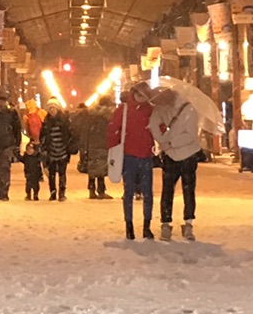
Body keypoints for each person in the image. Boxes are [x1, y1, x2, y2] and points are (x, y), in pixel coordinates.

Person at [151, 85, 204, 241]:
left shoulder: (188, 110)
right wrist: (162, 141)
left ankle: (188, 223)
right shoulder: (160, 108)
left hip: (188, 154)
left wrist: (169, 142)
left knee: (188, 190)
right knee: (168, 190)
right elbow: (153, 125)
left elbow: (191, 136)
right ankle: (166, 223)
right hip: (170, 155)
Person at [109, 82, 158, 239]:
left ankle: (146, 226)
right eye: (139, 94)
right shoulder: (123, 110)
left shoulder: (151, 110)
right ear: (134, 93)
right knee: (129, 192)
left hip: (145, 155)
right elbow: (112, 131)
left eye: (144, 96)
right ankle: (129, 226)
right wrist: (113, 152)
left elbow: (159, 128)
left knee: (147, 193)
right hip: (128, 156)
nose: (141, 98)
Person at [72, 101, 111, 198]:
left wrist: (84, 146)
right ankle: (101, 190)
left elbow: (83, 132)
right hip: (102, 145)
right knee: (101, 168)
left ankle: (91, 189)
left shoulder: (89, 118)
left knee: (92, 168)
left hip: (91, 146)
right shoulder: (105, 118)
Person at [38, 104, 76, 201]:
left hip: (62, 151)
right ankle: (53, 193)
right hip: (51, 152)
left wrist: (68, 145)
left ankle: (62, 193)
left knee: (62, 173)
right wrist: (44, 148)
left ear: (57, 109)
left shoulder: (64, 121)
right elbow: (42, 136)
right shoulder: (46, 122)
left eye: (53, 108)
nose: (52, 110)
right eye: (50, 108)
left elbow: (70, 134)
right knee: (52, 173)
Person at [21, 130, 45, 200]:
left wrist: (40, 175)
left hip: (36, 173)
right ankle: (28, 194)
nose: (30, 151)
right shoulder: (26, 156)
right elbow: (22, 159)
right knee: (28, 185)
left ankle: (35, 194)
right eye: (28, 149)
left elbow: (41, 162)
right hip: (28, 173)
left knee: (35, 185)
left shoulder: (37, 156)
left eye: (31, 149)